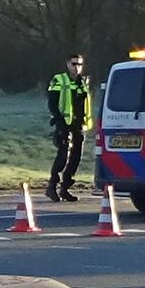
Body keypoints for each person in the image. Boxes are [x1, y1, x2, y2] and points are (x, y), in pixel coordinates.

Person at [46, 53, 93, 202]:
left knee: (76, 158)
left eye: (79, 64)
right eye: (74, 64)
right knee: (63, 156)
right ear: (67, 64)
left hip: (79, 124)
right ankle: (52, 186)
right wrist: (59, 122)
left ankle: (65, 188)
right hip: (64, 123)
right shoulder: (59, 80)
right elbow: (52, 103)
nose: (76, 67)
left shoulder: (83, 82)